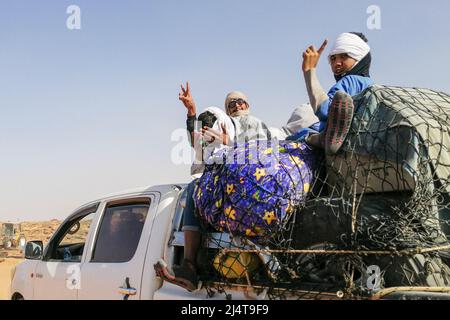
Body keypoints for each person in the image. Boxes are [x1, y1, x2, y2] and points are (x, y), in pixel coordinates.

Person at [154, 83, 271, 291]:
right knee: (194, 188)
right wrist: (191, 112)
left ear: (248, 104)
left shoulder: (254, 123)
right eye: (230, 104)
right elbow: (197, 143)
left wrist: (228, 141)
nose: (236, 105)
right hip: (219, 181)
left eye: (239, 101)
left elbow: (262, 153)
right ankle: (189, 265)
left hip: (247, 181)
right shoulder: (222, 123)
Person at [289, 32, 374, 154]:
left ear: (359, 58)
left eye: (344, 57)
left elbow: (326, 110)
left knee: (295, 137)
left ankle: (319, 138)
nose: (336, 63)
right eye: (333, 59)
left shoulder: (350, 81)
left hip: (331, 134)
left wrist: (309, 71)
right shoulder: (369, 83)